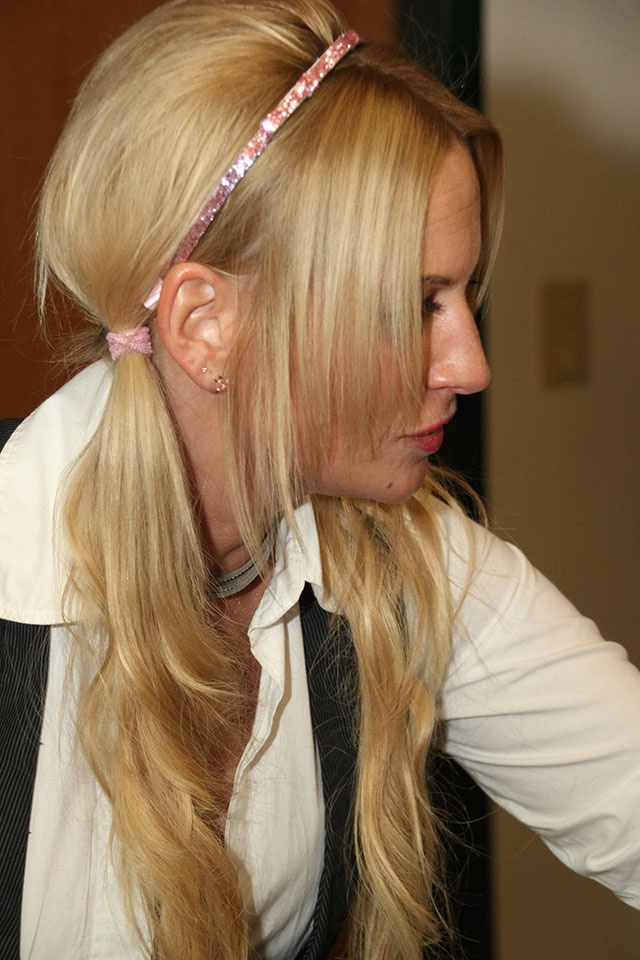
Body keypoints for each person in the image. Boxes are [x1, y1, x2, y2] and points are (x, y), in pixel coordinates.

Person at [1, 1, 639, 958]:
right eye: (412, 306)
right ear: (206, 325)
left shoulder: (403, 563)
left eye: (464, 296)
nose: (471, 366)